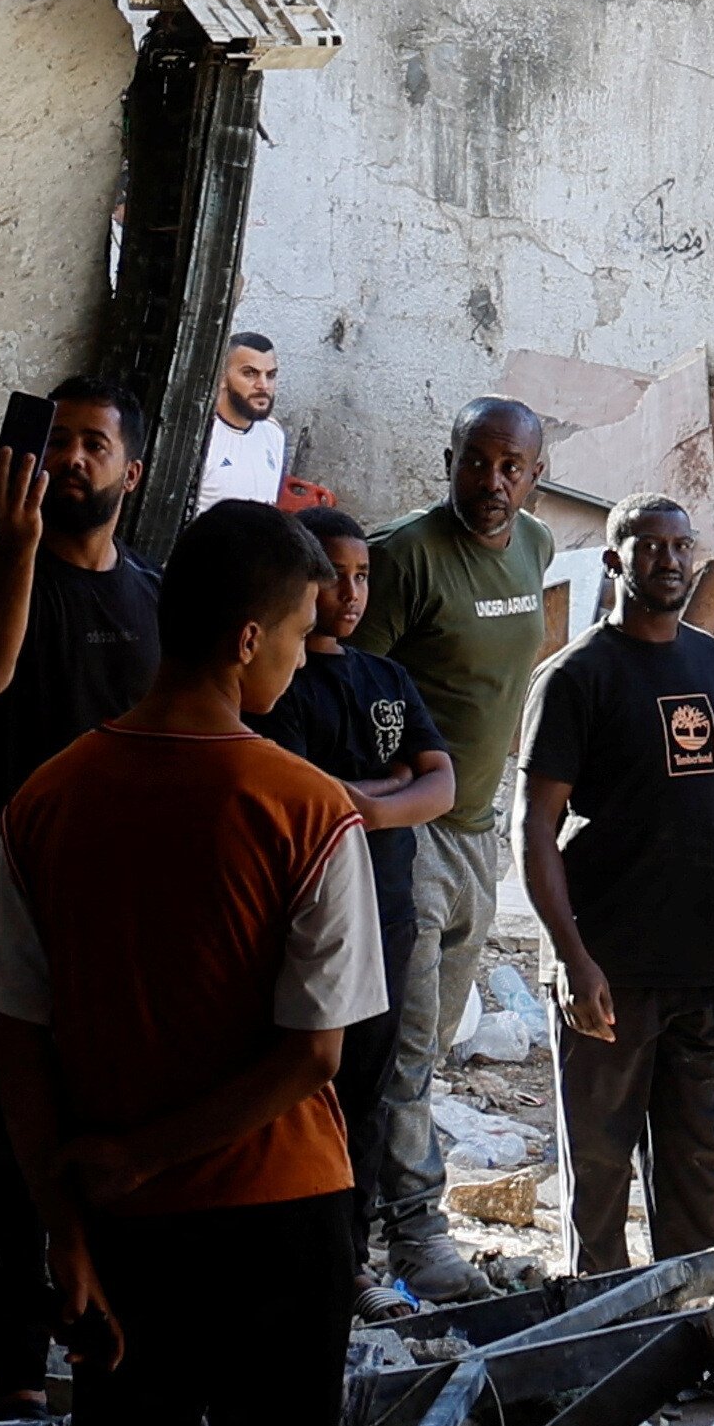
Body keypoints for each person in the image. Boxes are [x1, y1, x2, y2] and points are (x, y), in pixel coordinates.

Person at [0, 500, 387, 1426]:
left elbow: (14, 1039)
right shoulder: (309, 809)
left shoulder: (49, 799)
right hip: (278, 1225)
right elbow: (311, 1058)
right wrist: (146, 1156)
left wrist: (72, 1216)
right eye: (305, 637)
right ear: (249, 637)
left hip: (123, 1239)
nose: (310, 662)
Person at [0, 375, 161, 1400]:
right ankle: (16, 1367)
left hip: (137, 924)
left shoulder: (156, 599)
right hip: (19, 913)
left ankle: (108, 1339)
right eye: (57, 442)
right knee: (17, 1144)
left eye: (92, 446)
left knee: (123, 1139)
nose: (70, 459)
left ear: (131, 472)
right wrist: (18, 546)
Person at [352, 399, 569, 1299]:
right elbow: (359, 680)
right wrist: (406, 766)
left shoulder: (536, 547)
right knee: (402, 1046)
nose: (493, 483)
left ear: (535, 473)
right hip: (416, 827)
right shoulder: (404, 555)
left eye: (512, 467)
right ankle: (408, 1240)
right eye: (477, 463)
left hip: (482, 824)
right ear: (450, 459)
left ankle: (363, 1210)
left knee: (430, 1041)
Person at [519, 491, 714, 1272]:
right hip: (613, 970)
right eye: (649, 546)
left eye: (681, 546)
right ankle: (598, 1335)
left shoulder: (710, 659)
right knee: (599, 1170)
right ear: (616, 558)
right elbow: (535, 828)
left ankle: (693, 1328)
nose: (669, 560)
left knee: (696, 1161)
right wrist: (572, 959)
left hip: (704, 963)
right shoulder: (575, 677)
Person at [251, 505, 456, 1270]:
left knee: (371, 1083)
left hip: (387, 910)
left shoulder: (388, 677)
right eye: (335, 574)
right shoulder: (282, 681)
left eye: (363, 575)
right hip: (309, 911)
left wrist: (369, 801)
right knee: (309, 1077)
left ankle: (351, 1256)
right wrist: (386, 790)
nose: (351, 590)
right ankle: (290, 1251)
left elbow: (440, 783)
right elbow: (301, 795)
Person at [194, 334, 290, 511]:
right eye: (250, 373)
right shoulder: (199, 437)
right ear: (221, 377)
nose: (263, 385)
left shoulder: (274, 434)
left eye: (270, 375)